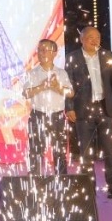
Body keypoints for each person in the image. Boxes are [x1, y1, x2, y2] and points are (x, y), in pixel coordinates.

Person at [65, 26, 112, 199]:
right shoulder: (72, 57)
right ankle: (89, 189)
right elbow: (67, 85)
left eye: (97, 37)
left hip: (106, 108)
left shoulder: (107, 55)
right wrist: (69, 107)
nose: (95, 40)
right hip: (83, 109)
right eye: (90, 37)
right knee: (86, 153)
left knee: (111, 152)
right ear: (82, 39)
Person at [21, 39, 72, 176]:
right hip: (38, 116)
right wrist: (42, 86)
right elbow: (25, 93)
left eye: (46, 50)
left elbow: (70, 92)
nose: (42, 53)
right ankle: (35, 181)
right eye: (40, 50)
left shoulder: (61, 73)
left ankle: (61, 180)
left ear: (54, 53)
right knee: (35, 151)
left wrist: (57, 87)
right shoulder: (32, 73)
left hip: (58, 116)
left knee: (60, 152)